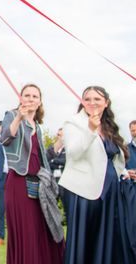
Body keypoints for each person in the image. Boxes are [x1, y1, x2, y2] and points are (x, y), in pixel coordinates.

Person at [59, 86, 135, 263]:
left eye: (97, 99)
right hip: (83, 191)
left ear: (106, 103)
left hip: (111, 190)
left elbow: (109, 157)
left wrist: (123, 171)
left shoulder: (109, 126)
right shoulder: (73, 123)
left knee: (110, 235)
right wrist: (91, 129)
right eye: (88, 99)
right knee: (86, 237)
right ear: (82, 102)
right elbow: (74, 153)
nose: (92, 102)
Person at [1, 83, 64, 264]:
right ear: (21, 99)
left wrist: (60, 142)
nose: (30, 98)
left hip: (39, 186)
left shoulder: (37, 125)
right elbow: (5, 138)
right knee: (26, 232)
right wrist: (19, 118)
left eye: (34, 96)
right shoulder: (12, 116)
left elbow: (42, 156)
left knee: (44, 229)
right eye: (26, 95)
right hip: (19, 184)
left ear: (39, 102)